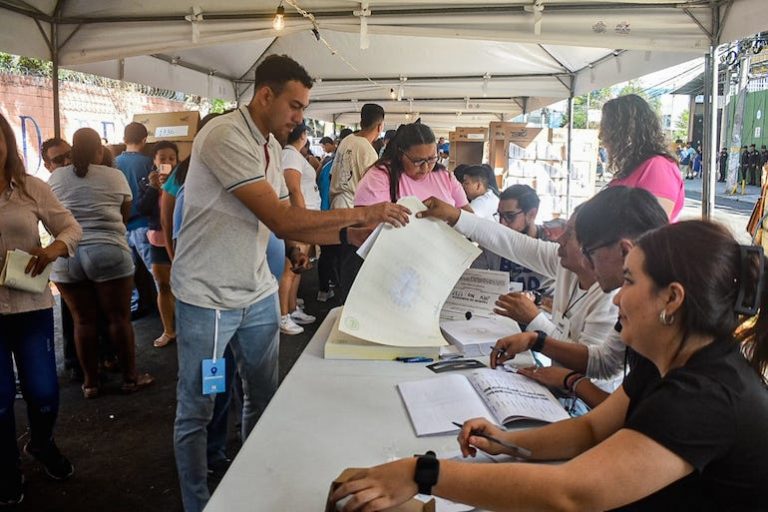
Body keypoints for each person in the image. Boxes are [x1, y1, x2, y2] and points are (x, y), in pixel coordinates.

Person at [332, 219, 768, 512]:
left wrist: (422, 474)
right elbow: (591, 430)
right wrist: (507, 442)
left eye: (630, 281)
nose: (618, 296)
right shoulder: (670, 362)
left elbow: (573, 493)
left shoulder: (706, 397)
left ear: (671, 299)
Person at [170, 54, 409, 512]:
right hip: (208, 297)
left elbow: (289, 220)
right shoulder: (224, 136)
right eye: (295, 106)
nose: (300, 117)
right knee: (199, 405)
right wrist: (363, 213)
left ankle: (253, 483)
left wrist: (345, 236)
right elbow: (280, 217)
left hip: (257, 290)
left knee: (263, 396)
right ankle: (197, 501)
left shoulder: (267, 145)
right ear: (265, 95)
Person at [423, 187, 669, 386]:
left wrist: (535, 324)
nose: (559, 240)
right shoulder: (576, 268)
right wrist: (455, 216)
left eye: (576, 239)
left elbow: (599, 378)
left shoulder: (619, 299)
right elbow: (604, 362)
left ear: (624, 251)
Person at [0, 113, 82, 505]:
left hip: (30, 306)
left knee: (44, 392)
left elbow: (71, 228)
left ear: (6, 143)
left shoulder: (31, 187)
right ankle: (5, 466)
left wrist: (53, 249)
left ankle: (41, 443)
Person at [48, 127, 154, 398]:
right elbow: (124, 215)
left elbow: (50, 217)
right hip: (109, 251)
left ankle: (90, 384)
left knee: (83, 322)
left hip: (68, 255)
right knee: (119, 319)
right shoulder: (114, 175)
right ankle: (130, 378)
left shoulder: (57, 177)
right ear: (98, 151)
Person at [600, 95, 684, 220]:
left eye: (606, 128)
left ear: (625, 132)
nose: (601, 136)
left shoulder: (657, 166)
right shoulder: (635, 167)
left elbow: (652, 225)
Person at [354, 123, 470, 209]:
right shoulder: (380, 177)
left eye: (431, 159)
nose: (425, 168)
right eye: (418, 161)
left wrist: (451, 214)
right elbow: (362, 226)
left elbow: (469, 218)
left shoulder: (445, 177)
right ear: (400, 154)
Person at [472, 184, 554, 298]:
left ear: (531, 214)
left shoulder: (551, 245)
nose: (502, 223)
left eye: (510, 216)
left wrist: (536, 299)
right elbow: (474, 285)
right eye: (500, 215)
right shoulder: (492, 242)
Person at [278, 123, 322, 335]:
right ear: (303, 135)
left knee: (297, 269)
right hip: (299, 219)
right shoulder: (290, 155)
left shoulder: (294, 155)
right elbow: (293, 188)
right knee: (289, 269)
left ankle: (292, 307)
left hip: (304, 217)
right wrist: (302, 218)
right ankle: (282, 315)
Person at [136, 141, 178, 348]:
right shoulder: (147, 182)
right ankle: (168, 330)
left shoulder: (183, 181)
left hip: (179, 241)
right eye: (162, 158)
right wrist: (154, 188)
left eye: (172, 158)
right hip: (157, 240)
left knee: (182, 286)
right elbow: (142, 209)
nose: (167, 162)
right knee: (163, 285)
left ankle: (186, 328)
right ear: (154, 161)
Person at [114, 122, 156, 316]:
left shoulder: (113, 163)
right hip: (143, 223)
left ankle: (132, 307)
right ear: (144, 140)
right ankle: (164, 305)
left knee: (127, 270)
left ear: (124, 139)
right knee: (154, 269)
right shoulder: (148, 163)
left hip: (121, 225)